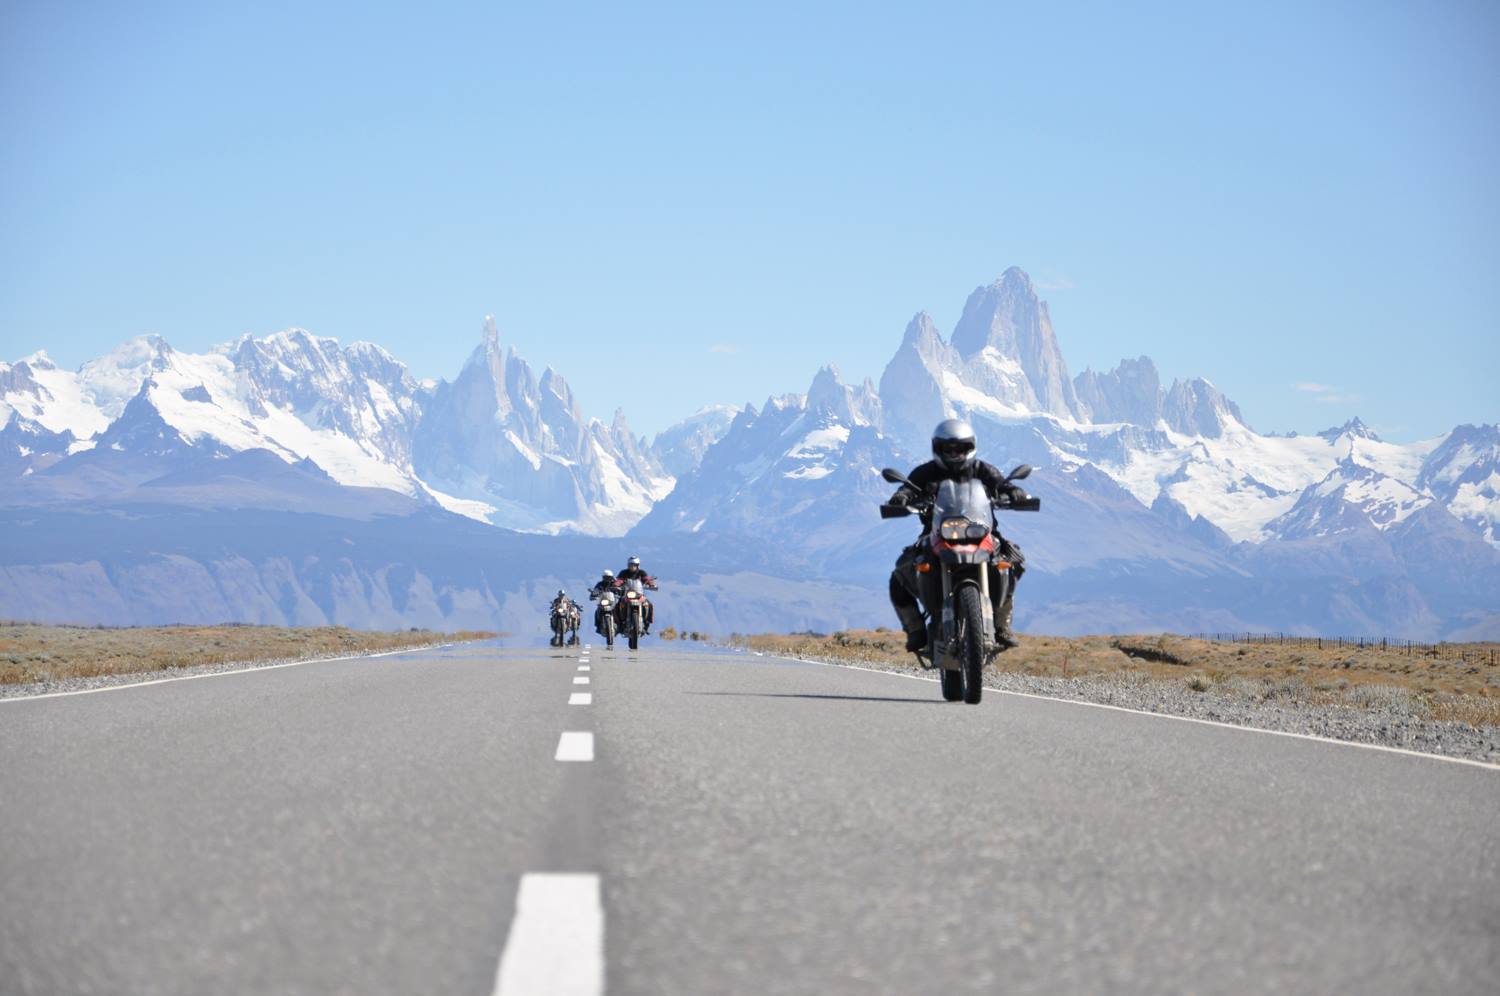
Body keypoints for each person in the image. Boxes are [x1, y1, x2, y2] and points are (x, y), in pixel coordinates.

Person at [887, 418, 1027, 652]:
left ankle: (1001, 624)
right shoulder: (926, 472)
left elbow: (1001, 484)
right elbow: (909, 487)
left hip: (981, 533)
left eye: (959, 448)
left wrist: (1014, 490)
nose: (954, 453)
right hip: (937, 534)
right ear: (937, 448)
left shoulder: (983, 470)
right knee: (901, 574)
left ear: (970, 447)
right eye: (947, 449)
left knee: (1012, 562)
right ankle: (916, 629)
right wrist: (902, 497)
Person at [615, 556, 658, 633]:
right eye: (630, 564)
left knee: (649, 604)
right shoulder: (624, 572)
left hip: (639, 595)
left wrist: (651, 584)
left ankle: (647, 624)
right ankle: (619, 625)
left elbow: (647, 579)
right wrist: (616, 585)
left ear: (638, 565)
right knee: (617, 606)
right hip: (626, 595)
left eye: (634, 565)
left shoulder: (641, 573)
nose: (632, 566)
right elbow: (619, 580)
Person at [588, 570, 617, 635]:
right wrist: (593, 594)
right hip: (602, 602)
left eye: (608, 577)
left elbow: (620, 589)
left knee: (618, 610)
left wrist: (620, 591)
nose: (607, 579)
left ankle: (621, 624)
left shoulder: (614, 583)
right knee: (597, 611)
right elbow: (595, 590)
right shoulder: (600, 584)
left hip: (612, 602)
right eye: (605, 577)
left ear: (611, 577)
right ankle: (598, 626)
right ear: (603, 578)